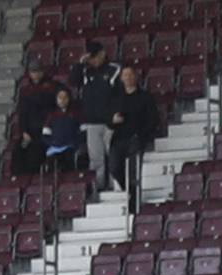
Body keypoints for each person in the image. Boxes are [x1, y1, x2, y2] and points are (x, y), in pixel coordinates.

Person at [107, 64, 160, 194]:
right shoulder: (116, 98)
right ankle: (130, 191)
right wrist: (113, 120)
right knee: (114, 168)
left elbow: (153, 119)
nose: (128, 78)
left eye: (130, 75)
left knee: (133, 170)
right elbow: (109, 119)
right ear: (121, 78)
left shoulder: (145, 97)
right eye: (125, 75)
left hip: (136, 138)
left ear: (135, 77)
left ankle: (133, 197)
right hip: (118, 138)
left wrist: (142, 135)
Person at [73, 42, 119, 185]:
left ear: (102, 54)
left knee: (113, 156)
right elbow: (73, 81)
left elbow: (121, 94)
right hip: (92, 122)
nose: (93, 61)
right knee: (96, 159)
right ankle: (97, 187)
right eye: (90, 58)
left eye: (95, 57)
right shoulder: (86, 72)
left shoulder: (114, 69)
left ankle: (116, 184)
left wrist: (116, 115)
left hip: (111, 122)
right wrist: (80, 64)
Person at [14, 64, 58, 176]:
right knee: (20, 151)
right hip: (30, 131)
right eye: (33, 71)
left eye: (38, 71)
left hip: (47, 129)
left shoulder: (52, 87)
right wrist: (24, 131)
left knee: (40, 154)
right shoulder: (25, 90)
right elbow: (22, 113)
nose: (35, 74)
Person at [41, 87, 84, 171]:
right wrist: (54, 142)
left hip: (71, 148)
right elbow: (45, 135)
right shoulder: (51, 116)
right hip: (55, 148)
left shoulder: (76, 114)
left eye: (65, 97)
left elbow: (84, 132)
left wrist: (75, 142)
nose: (62, 100)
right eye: (60, 97)